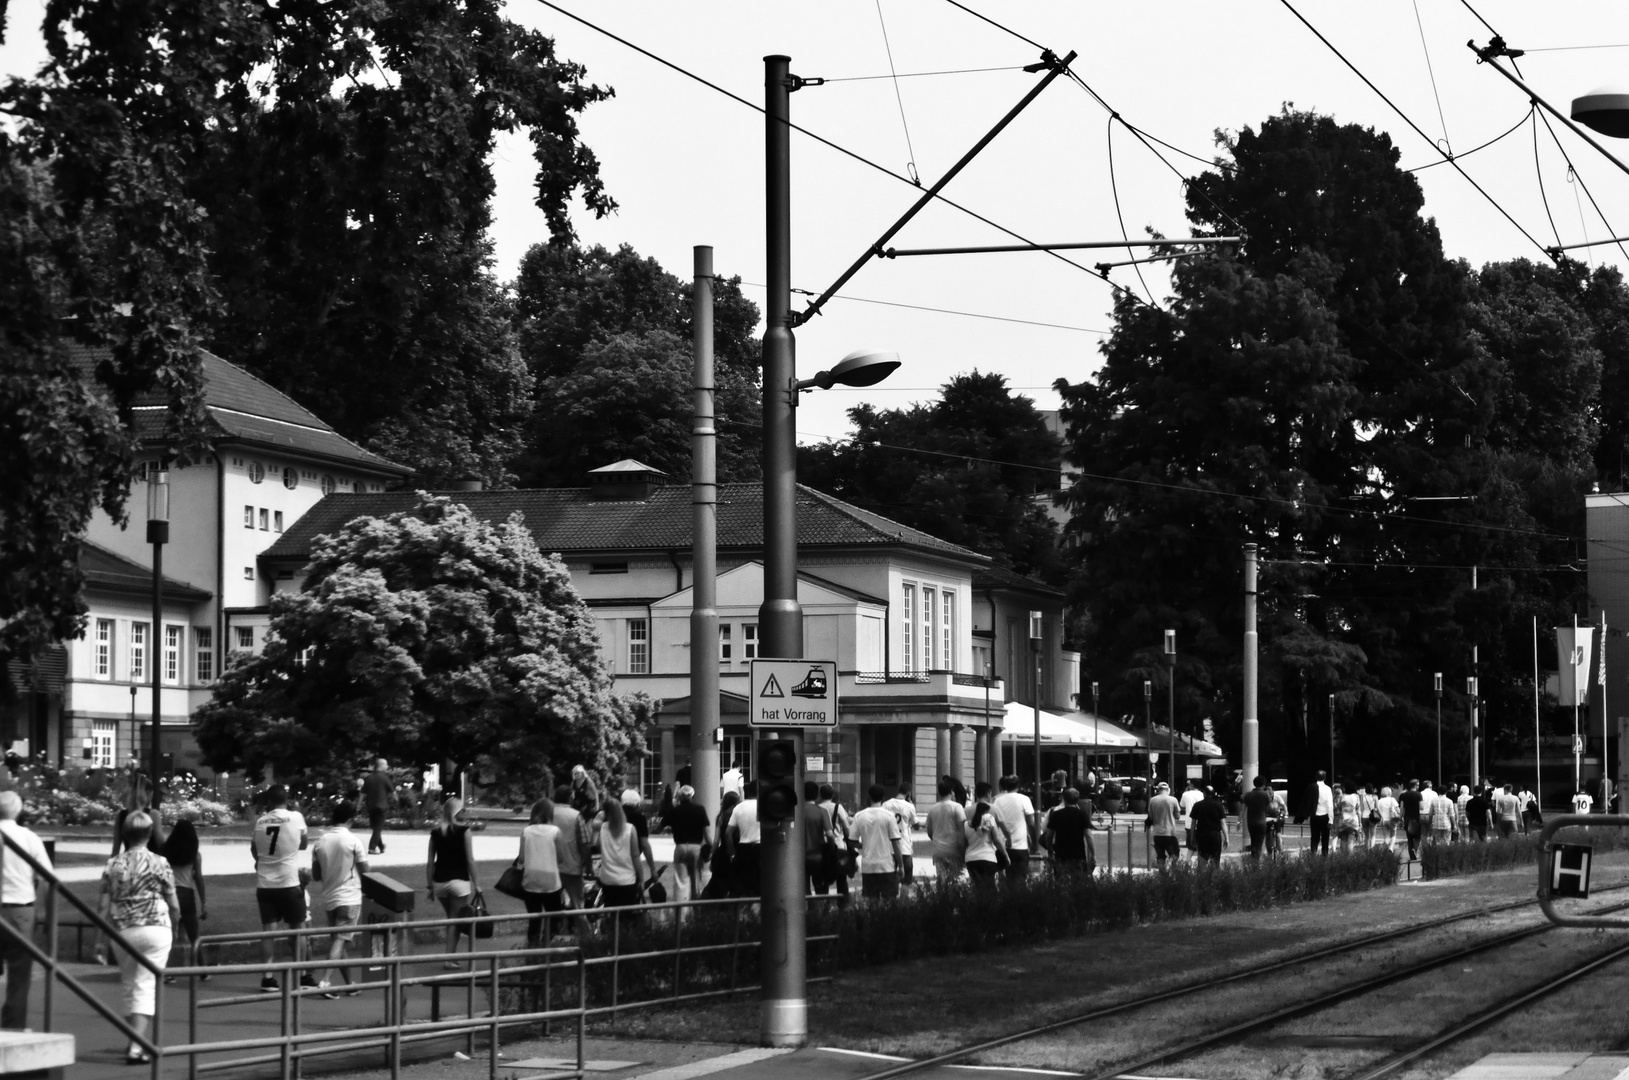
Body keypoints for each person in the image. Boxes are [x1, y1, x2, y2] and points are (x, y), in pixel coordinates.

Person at [97, 810, 179, 1065]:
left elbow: (102, 906)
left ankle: (134, 1041)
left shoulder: (113, 864)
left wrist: (99, 940)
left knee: (130, 983)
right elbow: (174, 904)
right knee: (146, 985)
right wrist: (174, 927)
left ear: (124, 834)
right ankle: (136, 1046)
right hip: (156, 926)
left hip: (123, 930)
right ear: (150, 833)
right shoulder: (160, 863)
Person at [250, 785, 315, 993]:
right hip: (288, 881)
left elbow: (254, 850)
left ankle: (267, 977)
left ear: (268, 801)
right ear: (287, 799)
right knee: (298, 930)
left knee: (268, 932)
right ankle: (302, 974)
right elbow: (303, 844)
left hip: (265, 884)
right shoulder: (295, 817)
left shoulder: (260, 821)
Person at [0, 792, 50, 1029]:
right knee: (19, 975)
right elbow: (49, 879)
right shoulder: (29, 838)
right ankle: (13, 1025)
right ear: (18, 811)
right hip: (20, 909)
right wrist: (45, 912)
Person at [309, 801, 367, 995]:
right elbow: (366, 871)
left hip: (330, 897)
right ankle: (325, 981)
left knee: (338, 939)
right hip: (350, 896)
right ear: (350, 819)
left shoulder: (319, 842)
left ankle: (350, 983)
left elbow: (316, 875)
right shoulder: (353, 841)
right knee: (340, 940)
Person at [426, 796, 478, 964]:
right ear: (457, 811)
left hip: (440, 881)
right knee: (455, 920)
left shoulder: (436, 832)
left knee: (451, 918)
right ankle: (449, 959)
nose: (464, 812)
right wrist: (477, 883)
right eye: (462, 809)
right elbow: (470, 860)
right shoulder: (464, 831)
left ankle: (452, 957)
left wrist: (429, 886)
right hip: (459, 881)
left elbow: (430, 862)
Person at [160, 819, 207, 984]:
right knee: (195, 935)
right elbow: (198, 879)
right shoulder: (194, 855)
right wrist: (204, 903)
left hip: (169, 894)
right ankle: (202, 970)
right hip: (187, 894)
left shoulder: (166, 852)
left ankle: (168, 971)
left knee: (169, 935)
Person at [517, 798, 564, 945]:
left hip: (531, 880)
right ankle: (547, 942)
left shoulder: (526, 831)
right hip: (551, 880)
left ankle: (533, 945)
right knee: (554, 916)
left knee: (534, 918)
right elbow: (561, 858)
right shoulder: (556, 832)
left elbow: (521, 859)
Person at [849, 784, 903, 901]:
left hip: (868, 865)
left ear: (869, 797)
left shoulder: (859, 816)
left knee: (872, 902)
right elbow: (896, 843)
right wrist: (901, 866)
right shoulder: (889, 816)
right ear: (883, 798)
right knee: (889, 901)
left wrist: (862, 845)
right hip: (886, 865)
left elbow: (851, 841)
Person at [596, 796, 646, 908]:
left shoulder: (603, 827)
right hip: (627, 880)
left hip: (607, 879)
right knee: (626, 915)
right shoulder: (630, 829)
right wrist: (641, 878)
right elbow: (635, 856)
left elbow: (598, 846)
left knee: (610, 911)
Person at [665, 785, 711, 903]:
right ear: (692, 796)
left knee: (681, 882)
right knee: (696, 882)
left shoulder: (675, 811)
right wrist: (712, 847)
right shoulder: (700, 809)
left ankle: (681, 914)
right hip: (696, 847)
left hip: (680, 846)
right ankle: (696, 913)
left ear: (680, 796)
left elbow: (661, 825)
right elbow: (706, 832)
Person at [990, 775, 1037, 881]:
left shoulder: (997, 801)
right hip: (1020, 846)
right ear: (1018, 786)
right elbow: (1031, 823)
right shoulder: (1025, 799)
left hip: (1001, 846)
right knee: (1019, 879)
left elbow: (993, 822)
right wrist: (1033, 841)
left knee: (1003, 878)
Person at [925, 778, 968, 882]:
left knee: (942, 882)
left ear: (938, 792)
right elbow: (961, 831)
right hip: (954, 851)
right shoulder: (957, 807)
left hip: (938, 851)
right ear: (952, 792)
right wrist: (963, 851)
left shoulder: (932, 809)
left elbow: (930, 832)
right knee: (957, 881)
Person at [964, 783, 1004, 889]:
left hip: (971, 854)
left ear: (976, 794)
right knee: (989, 886)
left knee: (977, 886)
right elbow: (1003, 829)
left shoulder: (967, 810)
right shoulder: (994, 809)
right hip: (989, 853)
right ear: (989, 793)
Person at [1044, 789, 1093, 873]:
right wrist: (1093, 854)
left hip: (1060, 854)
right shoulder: (1082, 814)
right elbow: (1088, 835)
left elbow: (1049, 835)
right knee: (1079, 882)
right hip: (1078, 853)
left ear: (1064, 799)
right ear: (1077, 800)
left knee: (1061, 881)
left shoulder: (1056, 814)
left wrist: (1050, 852)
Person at [702, 791, 740, 899]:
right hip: (735, 852)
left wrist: (711, 854)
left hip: (722, 853)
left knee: (719, 884)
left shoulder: (720, 817)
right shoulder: (737, 817)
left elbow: (716, 841)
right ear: (734, 804)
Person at [619, 789, 658, 892]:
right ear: (637, 804)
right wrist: (652, 868)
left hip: (613, 860)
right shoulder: (639, 819)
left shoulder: (612, 816)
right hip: (631, 863)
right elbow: (644, 845)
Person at [816, 785, 851, 899]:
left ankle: (823, 905)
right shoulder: (837, 807)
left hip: (822, 846)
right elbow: (846, 826)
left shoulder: (817, 807)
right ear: (832, 795)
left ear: (820, 795)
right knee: (841, 879)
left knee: (824, 876)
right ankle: (843, 905)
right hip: (838, 845)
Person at [727, 781, 761, 898]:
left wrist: (732, 853)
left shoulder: (738, 808)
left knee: (743, 884)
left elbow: (728, 833)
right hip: (761, 847)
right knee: (761, 883)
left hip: (743, 847)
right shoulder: (765, 806)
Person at [881, 784, 918, 887]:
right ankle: (904, 901)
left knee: (890, 879)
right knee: (906, 879)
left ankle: (891, 901)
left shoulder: (886, 804)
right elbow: (916, 826)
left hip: (889, 846)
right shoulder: (909, 806)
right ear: (908, 794)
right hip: (904, 845)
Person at [800, 781, 834, 895]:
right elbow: (829, 834)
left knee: (803, 890)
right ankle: (817, 911)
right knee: (820, 889)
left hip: (799, 857)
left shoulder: (796, 811)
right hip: (818, 856)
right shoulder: (822, 811)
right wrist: (831, 847)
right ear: (817, 795)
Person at [1145, 781, 1182, 868]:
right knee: (1174, 854)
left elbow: (1150, 816)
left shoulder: (1152, 800)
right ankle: (1171, 869)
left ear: (1158, 790)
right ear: (1168, 790)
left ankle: (1162, 874)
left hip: (1157, 833)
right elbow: (1177, 816)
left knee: (1160, 855)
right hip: (1169, 832)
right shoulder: (1173, 800)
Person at [362, 758, 393, 855]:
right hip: (382, 806)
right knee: (378, 828)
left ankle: (381, 846)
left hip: (370, 806)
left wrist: (359, 805)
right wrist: (396, 801)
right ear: (381, 765)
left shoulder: (368, 778)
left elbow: (362, 793)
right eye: (386, 765)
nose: (387, 766)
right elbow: (393, 792)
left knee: (375, 827)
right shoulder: (385, 778)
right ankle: (372, 848)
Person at [1190, 785, 1228, 864]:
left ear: (1204, 793)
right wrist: (1226, 837)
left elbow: (1193, 823)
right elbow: (1223, 823)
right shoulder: (1219, 805)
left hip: (1201, 834)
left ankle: (1202, 875)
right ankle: (1214, 875)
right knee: (1215, 860)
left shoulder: (1197, 805)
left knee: (1202, 859)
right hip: (1215, 835)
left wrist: (1192, 836)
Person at [1298, 771, 1333, 855]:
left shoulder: (1311, 787)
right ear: (1325, 777)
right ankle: (1324, 857)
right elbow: (1330, 805)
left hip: (1314, 816)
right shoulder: (1327, 789)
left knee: (1314, 838)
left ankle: (1313, 855)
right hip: (1325, 816)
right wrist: (1331, 820)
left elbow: (1306, 801)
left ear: (1316, 777)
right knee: (1325, 838)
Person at [1240, 775, 1274, 859]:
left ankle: (1253, 860)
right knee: (1259, 844)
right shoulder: (1265, 794)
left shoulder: (1248, 795)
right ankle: (1256, 863)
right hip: (1262, 822)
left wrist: (1238, 821)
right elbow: (1271, 808)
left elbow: (1242, 809)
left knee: (1253, 842)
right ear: (1263, 784)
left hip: (1251, 822)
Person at [1178, 779, 1204, 857]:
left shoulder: (1186, 794)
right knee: (1201, 847)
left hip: (1189, 823)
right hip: (1201, 824)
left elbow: (1182, 806)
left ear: (1192, 785)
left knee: (1191, 847)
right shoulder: (1202, 794)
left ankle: (1188, 864)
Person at [1400, 780, 1424, 859]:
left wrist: (1401, 818)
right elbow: (1421, 807)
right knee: (1418, 837)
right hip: (1416, 818)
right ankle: (1415, 848)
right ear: (1415, 786)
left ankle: (1411, 855)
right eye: (1418, 785)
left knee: (1409, 838)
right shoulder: (1418, 794)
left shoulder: (1404, 795)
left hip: (1407, 818)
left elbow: (1402, 808)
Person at [1334, 783, 1360, 853]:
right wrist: (1360, 823)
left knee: (1343, 839)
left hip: (1343, 820)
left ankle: (1343, 857)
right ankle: (1350, 858)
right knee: (1351, 840)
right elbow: (1358, 810)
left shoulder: (1342, 796)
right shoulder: (1356, 796)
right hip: (1353, 820)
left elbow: (1338, 807)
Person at [1428, 781, 1455, 846]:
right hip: (1446, 824)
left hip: (1436, 824)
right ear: (1446, 792)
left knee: (1437, 842)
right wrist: (1454, 825)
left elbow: (1430, 814)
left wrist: (1430, 823)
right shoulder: (1449, 801)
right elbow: (1452, 815)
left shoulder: (1433, 800)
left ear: (1438, 791)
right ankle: (1445, 854)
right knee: (1447, 842)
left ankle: (1439, 854)